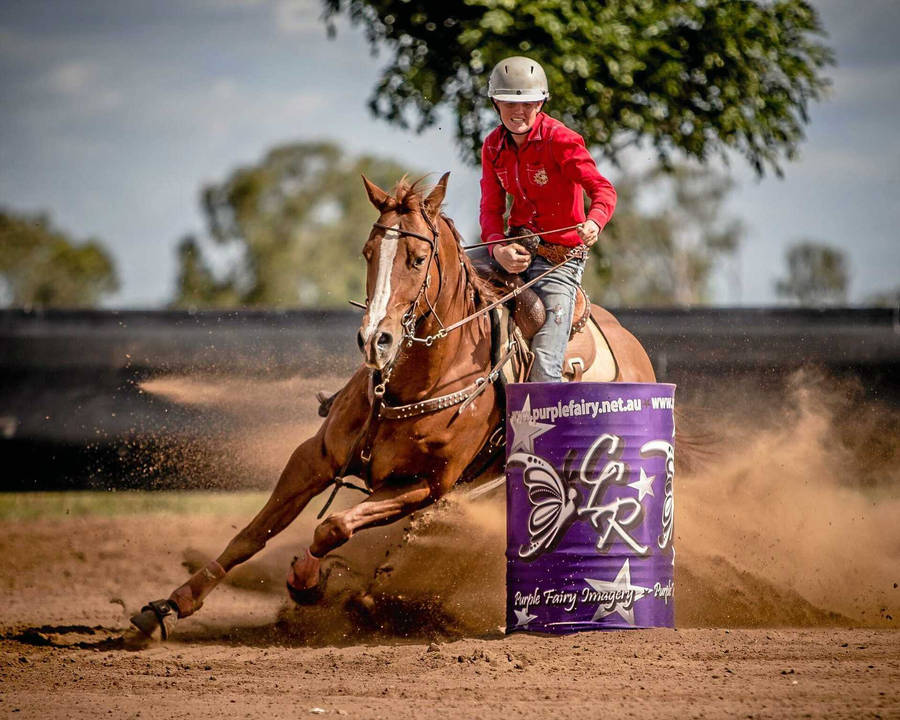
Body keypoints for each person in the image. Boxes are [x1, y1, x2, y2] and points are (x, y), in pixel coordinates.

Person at [480, 56, 617, 382]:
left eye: (528, 103)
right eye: (510, 102)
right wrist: (497, 247)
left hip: (560, 261)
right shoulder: (492, 146)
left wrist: (595, 222)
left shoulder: (562, 140)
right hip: (514, 249)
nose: (519, 112)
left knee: (545, 360)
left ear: (541, 102)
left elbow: (603, 190)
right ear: (495, 102)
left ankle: (549, 418)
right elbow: (490, 210)